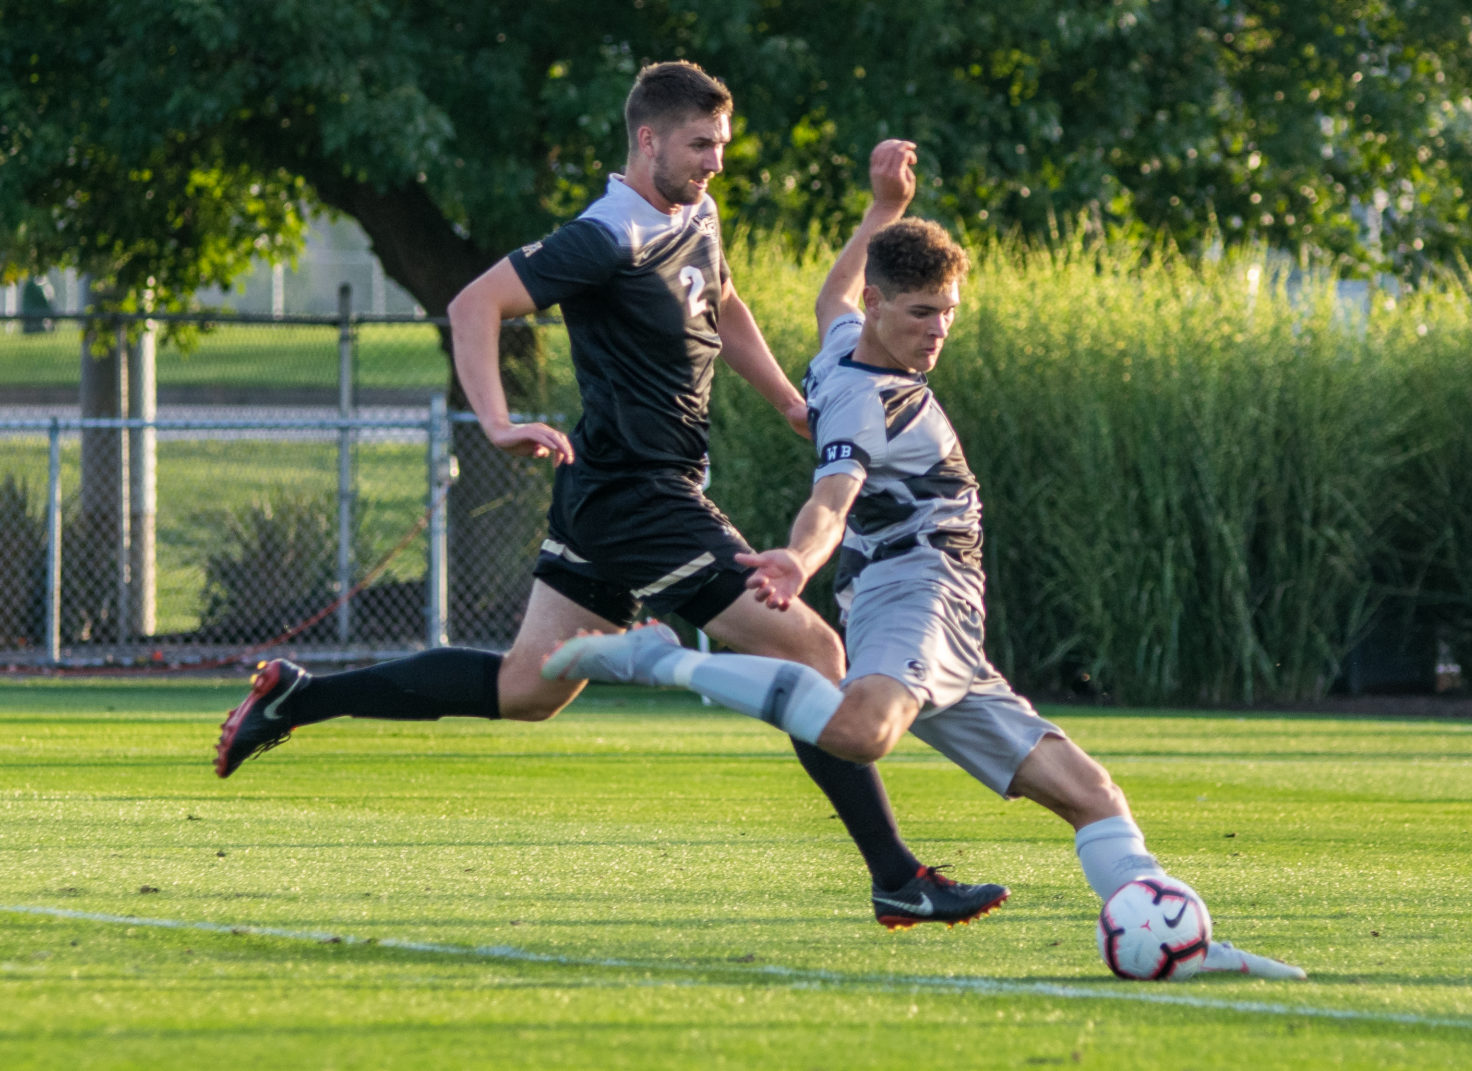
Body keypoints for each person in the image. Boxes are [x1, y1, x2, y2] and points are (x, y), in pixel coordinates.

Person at [213, 62, 1009, 928]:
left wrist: (786, 397)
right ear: (648, 139)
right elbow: (473, 303)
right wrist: (498, 420)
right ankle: (896, 875)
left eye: (722, 145)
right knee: (813, 652)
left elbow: (724, 300)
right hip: (641, 498)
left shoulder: (694, 212)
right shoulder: (609, 234)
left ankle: (298, 694)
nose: (714, 161)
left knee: (528, 688)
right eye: (700, 145)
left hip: (612, 493)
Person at [543, 139, 1306, 979]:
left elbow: (832, 290)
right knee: (864, 732)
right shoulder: (867, 406)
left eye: (946, 311)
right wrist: (798, 560)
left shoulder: (840, 340)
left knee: (1090, 792)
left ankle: (1180, 946)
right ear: (881, 307)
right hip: (917, 590)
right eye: (919, 313)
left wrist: (884, 210)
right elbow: (830, 500)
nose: (937, 330)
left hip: (953, 628)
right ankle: (663, 662)